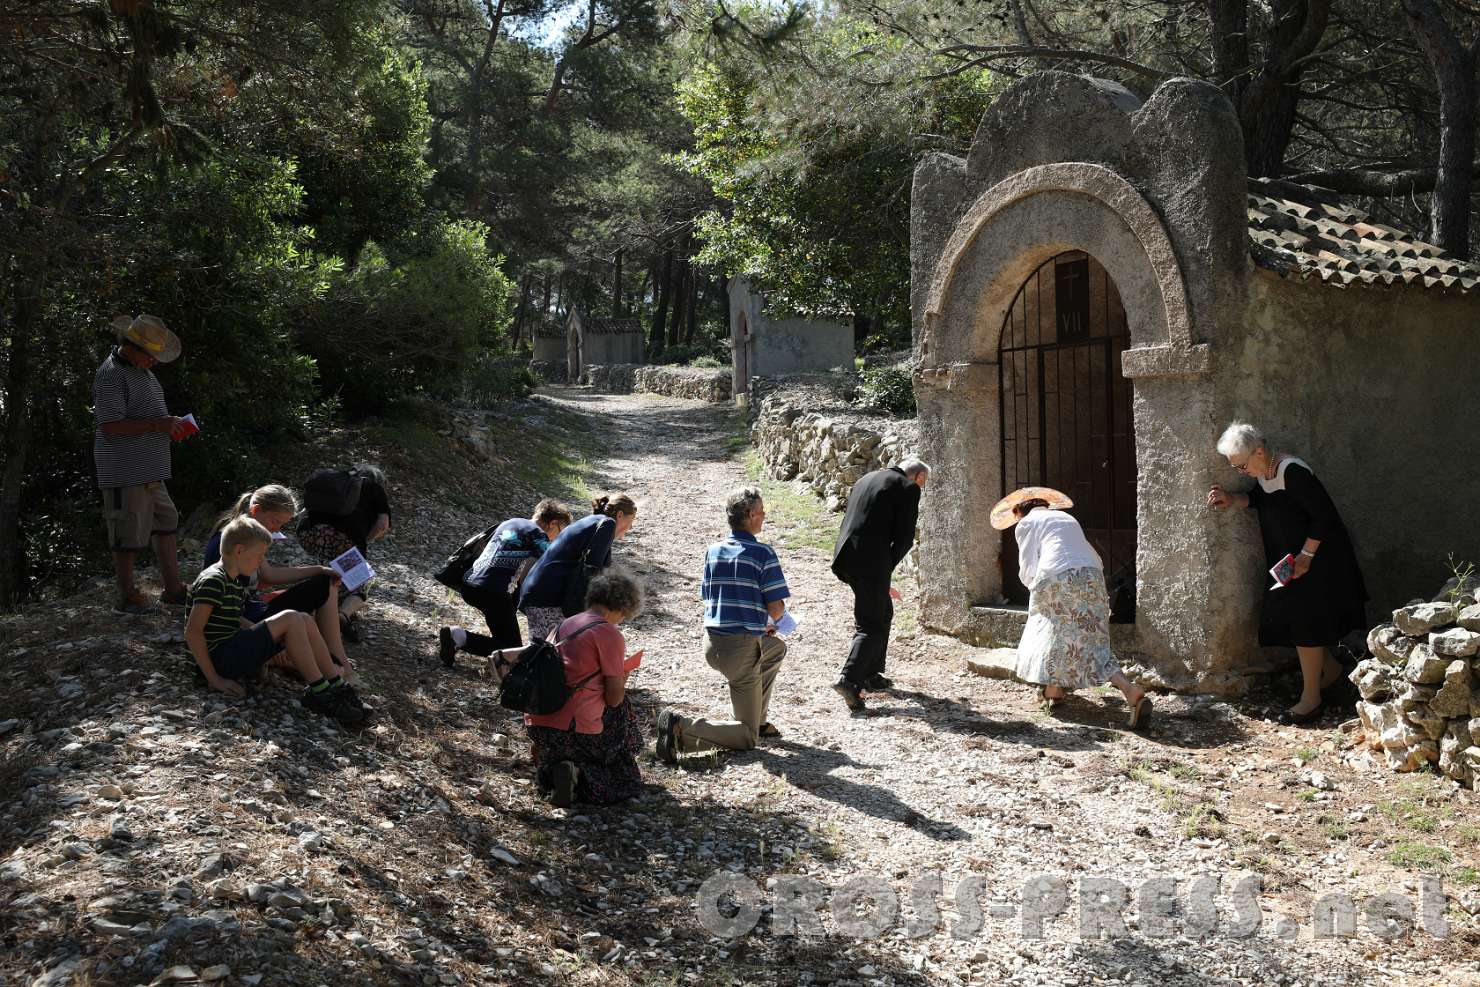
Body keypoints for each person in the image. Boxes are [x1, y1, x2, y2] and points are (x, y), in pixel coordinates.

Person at [1207, 421, 1368, 724]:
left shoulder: (1292, 471)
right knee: (1296, 619)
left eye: (1242, 466)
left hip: (1317, 558)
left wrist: (1306, 557)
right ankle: (1331, 672)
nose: (1242, 472)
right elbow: (1259, 499)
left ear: (1259, 451)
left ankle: (1311, 700)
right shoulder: (1265, 472)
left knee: (1306, 623)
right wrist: (1232, 498)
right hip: (1293, 561)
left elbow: (1324, 518)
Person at [993, 487, 1152, 729]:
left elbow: (1027, 566)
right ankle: (1128, 691)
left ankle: (1053, 690)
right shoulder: (1066, 518)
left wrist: (1034, 590)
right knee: (1093, 640)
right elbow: (1091, 554)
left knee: (1049, 630)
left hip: (1057, 576)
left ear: (1019, 512)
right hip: (1091, 576)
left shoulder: (1026, 524)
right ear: (1044, 504)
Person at [655, 486, 790, 763]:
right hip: (740, 650)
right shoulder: (763, 553)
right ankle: (682, 729)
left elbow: (709, 595)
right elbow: (776, 608)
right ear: (751, 514)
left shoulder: (713, 551)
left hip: (712, 643)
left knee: (774, 648)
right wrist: (777, 620)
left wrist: (755, 619)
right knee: (747, 738)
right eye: (762, 512)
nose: (764, 516)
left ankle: (756, 718)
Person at [185, 517, 364, 724]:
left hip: (231, 649)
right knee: (290, 617)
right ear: (240, 550)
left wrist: (264, 635)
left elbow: (231, 618)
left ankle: (336, 684)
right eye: (259, 556)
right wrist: (214, 678)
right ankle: (320, 692)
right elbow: (193, 632)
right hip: (219, 661)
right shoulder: (213, 580)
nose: (261, 562)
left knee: (303, 618)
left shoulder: (231, 579)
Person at [93, 314, 193, 615]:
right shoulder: (111, 374)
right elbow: (109, 426)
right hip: (125, 468)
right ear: (132, 347)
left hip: (151, 467)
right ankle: (126, 596)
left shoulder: (142, 371)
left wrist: (169, 426)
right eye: (152, 356)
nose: (156, 362)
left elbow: (147, 416)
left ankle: (173, 589)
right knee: (127, 532)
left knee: (166, 521)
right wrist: (158, 424)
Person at [523, 569, 647, 807]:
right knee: (627, 778)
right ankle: (579, 773)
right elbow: (613, 699)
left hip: (539, 726)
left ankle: (553, 767)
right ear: (622, 606)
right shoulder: (608, 633)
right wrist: (621, 677)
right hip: (575, 730)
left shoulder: (563, 626)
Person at [206, 485, 355, 681]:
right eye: (274, 522)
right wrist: (268, 639)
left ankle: (335, 660)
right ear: (256, 510)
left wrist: (318, 569)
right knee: (334, 670)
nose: (276, 529)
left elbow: (268, 575)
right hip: (246, 624)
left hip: (257, 612)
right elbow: (220, 609)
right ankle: (319, 666)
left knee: (325, 582)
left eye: (281, 525)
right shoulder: (230, 545)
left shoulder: (250, 535)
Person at [829, 457, 929, 711]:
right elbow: (905, 539)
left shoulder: (866, 478)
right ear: (917, 477)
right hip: (871, 562)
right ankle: (849, 679)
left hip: (845, 556)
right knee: (871, 623)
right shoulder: (907, 488)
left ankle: (871, 674)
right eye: (923, 483)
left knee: (882, 611)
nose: (922, 487)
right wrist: (886, 568)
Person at [438, 499, 573, 668]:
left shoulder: (510, 522)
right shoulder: (537, 534)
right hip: (492, 592)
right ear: (553, 523)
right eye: (560, 532)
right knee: (512, 649)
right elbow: (553, 562)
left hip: (470, 583)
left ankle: (460, 639)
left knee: (504, 637)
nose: (556, 538)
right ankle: (457, 636)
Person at [519, 494, 638, 643]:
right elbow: (593, 571)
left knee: (543, 653)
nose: (631, 527)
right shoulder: (607, 524)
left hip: (538, 592)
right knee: (550, 655)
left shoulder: (594, 522)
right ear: (620, 515)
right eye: (631, 521)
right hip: (547, 598)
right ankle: (502, 660)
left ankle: (504, 660)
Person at [297, 463, 391, 635]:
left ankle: (315, 605)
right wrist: (364, 539)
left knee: (328, 570)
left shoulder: (337, 483)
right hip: (345, 541)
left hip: (308, 534)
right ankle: (342, 615)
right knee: (357, 585)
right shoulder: (375, 488)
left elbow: (303, 513)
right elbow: (382, 524)